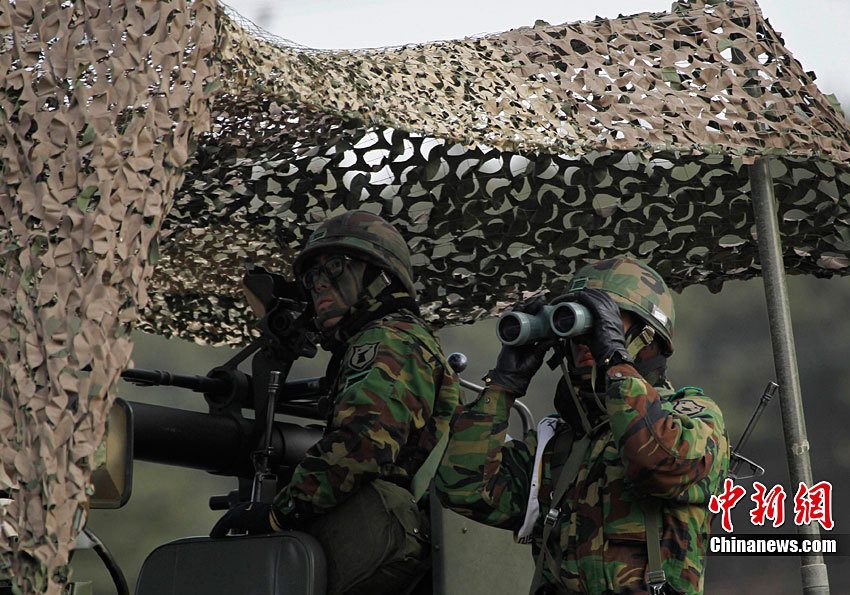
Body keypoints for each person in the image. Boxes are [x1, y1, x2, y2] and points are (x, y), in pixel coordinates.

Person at [435, 257, 729, 595]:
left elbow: (660, 463)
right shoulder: (558, 440)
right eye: (579, 324)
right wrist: (502, 386)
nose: (585, 339)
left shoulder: (691, 417)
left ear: (649, 335)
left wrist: (615, 360)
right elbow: (463, 488)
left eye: (606, 322)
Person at [211, 210, 461, 595]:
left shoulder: (390, 340)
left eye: (336, 268)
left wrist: (281, 514)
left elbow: (362, 444)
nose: (319, 285)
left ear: (380, 277)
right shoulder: (380, 343)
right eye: (311, 278)